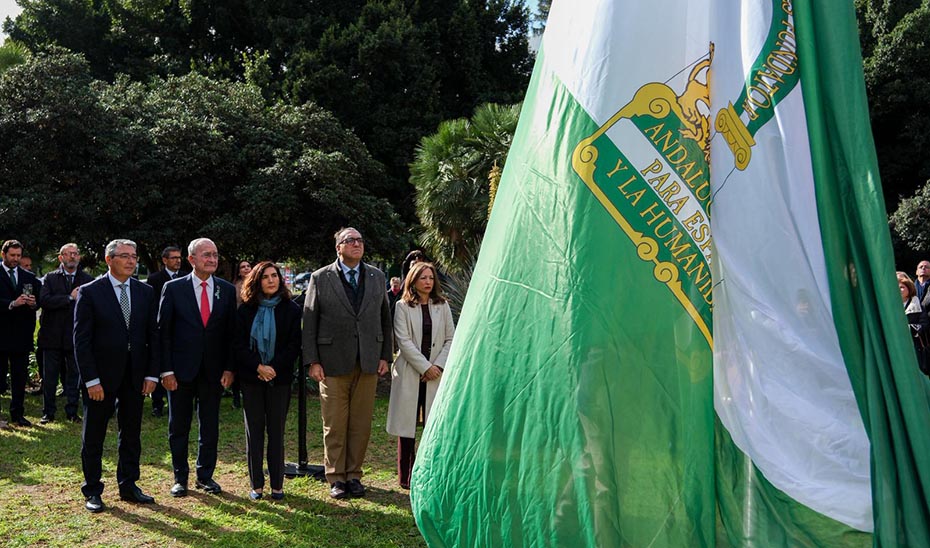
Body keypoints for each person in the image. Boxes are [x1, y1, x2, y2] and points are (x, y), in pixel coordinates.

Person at [303, 227, 393, 499]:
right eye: (350, 240)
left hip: (367, 360)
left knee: (361, 423)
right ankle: (336, 477)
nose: (357, 244)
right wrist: (313, 361)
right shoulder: (320, 278)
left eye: (360, 240)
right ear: (338, 248)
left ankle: (354, 475)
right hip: (331, 363)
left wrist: (385, 356)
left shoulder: (377, 277)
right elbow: (309, 323)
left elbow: (385, 319)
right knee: (335, 423)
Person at [73, 239, 159, 512]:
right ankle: (93, 490)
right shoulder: (90, 292)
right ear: (109, 260)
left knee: (131, 433)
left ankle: (129, 485)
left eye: (134, 256)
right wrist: (91, 380)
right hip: (101, 378)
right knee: (94, 435)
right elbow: (81, 341)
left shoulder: (145, 292)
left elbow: (152, 337)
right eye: (125, 256)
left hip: (135, 376)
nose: (132, 261)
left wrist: (152, 374)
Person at [158, 237, 237, 497]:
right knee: (178, 426)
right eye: (206, 255)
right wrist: (166, 370)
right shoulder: (173, 288)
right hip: (180, 372)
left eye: (215, 255)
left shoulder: (225, 290)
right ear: (191, 259)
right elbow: (164, 333)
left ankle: (206, 476)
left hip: (213, 371)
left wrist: (229, 367)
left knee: (210, 426)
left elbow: (230, 334)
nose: (212, 259)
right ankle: (180, 477)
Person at [234, 261, 301, 500]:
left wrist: (272, 368)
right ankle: (257, 485)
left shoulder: (291, 310)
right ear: (256, 281)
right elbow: (238, 345)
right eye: (265, 277)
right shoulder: (245, 310)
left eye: (275, 276)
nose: (271, 280)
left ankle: (277, 485)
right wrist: (258, 367)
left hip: (279, 379)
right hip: (251, 378)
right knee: (254, 431)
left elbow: (294, 345)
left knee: (276, 432)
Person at [386, 262, 455, 489]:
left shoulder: (442, 305)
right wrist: (425, 366)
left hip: (436, 374)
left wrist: (437, 366)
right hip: (411, 372)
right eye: (423, 278)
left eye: (431, 278)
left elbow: (450, 338)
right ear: (413, 280)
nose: (427, 282)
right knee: (407, 426)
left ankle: (430, 471)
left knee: (432, 424)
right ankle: (406, 476)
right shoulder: (403, 306)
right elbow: (403, 341)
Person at [37, 243, 93, 424]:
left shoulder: (87, 279)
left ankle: (72, 411)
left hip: (75, 336)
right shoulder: (50, 278)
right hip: (52, 336)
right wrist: (69, 298)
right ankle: (48, 412)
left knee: (74, 377)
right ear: (60, 257)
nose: (72, 257)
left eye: (75, 254)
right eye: (68, 254)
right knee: (50, 377)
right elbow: (44, 300)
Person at [0, 240, 41, 427]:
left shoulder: (29, 277)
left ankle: (18, 414)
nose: (16, 259)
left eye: (18, 255)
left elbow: (40, 301)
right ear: (3, 254)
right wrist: (11, 303)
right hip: (1, 334)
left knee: (19, 379)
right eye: (12, 255)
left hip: (21, 336)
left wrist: (33, 303)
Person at [144, 245, 184, 418]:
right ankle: (157, 403)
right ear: (165, 260)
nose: (178, 260)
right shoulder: (154, 279)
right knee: (159, 364)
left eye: (179, 257)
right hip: (159, 328)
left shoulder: (185, 278)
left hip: (179, 330)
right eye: (174, 258)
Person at [229, 259, 252, 409]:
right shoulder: (233, 287)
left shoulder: (257, 284)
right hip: (238, 325)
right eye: (243, 267)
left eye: (248, 266)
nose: (246, 268)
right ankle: (236, 395)